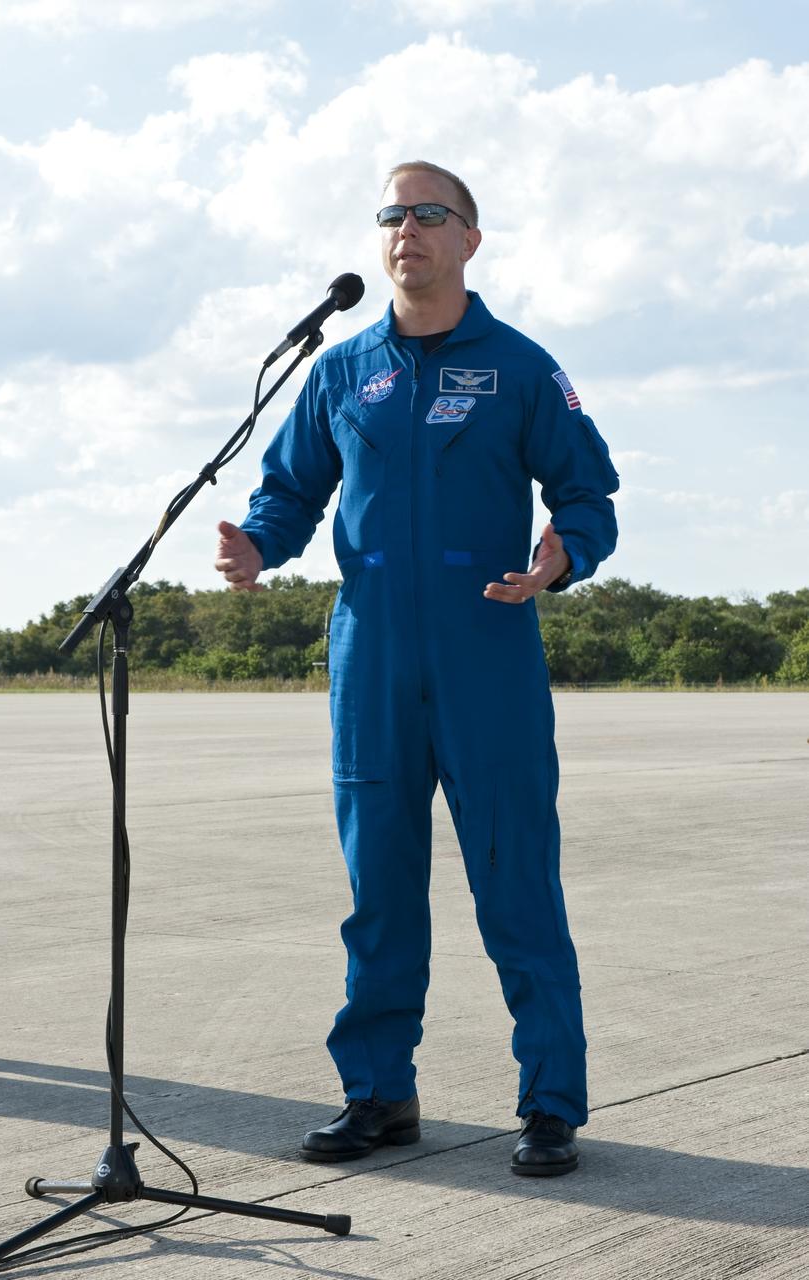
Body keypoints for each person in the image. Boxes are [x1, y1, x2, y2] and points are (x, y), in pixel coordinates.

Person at [215, 161, 619, 1176]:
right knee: (380, 889)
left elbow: (587, 493)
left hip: (487, 647)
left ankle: (550, 1103)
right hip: (372, 657)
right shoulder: (342, 370)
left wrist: (562, 554)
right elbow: (289, 491)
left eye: (430, 213)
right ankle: (378, 1094)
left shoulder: (522, 367)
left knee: (517, 882)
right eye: (392, 214)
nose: (407, 229)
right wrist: (258, 545)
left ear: (469, 240)